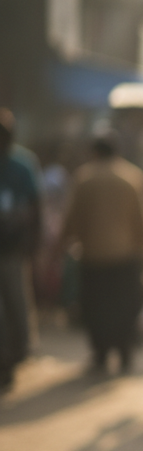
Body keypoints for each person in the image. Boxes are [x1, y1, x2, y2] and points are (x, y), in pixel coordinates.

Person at [59, 132, 143, 374]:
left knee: (95, 307)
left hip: (93, 255)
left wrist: (61, 246)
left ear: (95, 152)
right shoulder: (132, 177)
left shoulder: (84, 178)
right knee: (123, 305)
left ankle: (100, 352)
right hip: (126, 256)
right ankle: (124, 351)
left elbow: (71, 220)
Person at [0, 109, 41, 391]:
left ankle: (15, 354)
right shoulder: (24, 164)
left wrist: (33, 242)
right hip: (13, 248)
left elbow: (35, 208)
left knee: (15, 304)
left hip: (13, 248)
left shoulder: (22, 165)